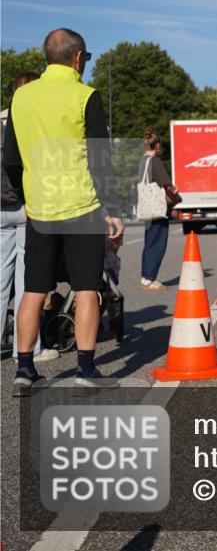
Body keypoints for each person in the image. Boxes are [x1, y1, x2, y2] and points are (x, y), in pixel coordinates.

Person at [3, 28, 125, 396]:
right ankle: (85, 369)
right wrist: (113, 208)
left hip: (39, 206)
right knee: (87, 289)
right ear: (77, 57)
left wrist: (28, 196)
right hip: (81, 206)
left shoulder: (22, 97)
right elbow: (100, 158)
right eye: (85, 60)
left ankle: (24, 370)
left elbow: (11, 157)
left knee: (34, 289)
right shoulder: (86, 95)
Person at [1, 72, 60, 364]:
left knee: (0, 281)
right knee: (30, 281)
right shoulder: (35, 120)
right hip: (28, 206)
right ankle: (29, 348)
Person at [137, 128, 180, 290]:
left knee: (149, 241)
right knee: (158, 242)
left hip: (147, 207)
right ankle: (149, 278)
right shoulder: (155, 161)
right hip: (157, 209)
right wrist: (174, 192)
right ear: (157, 145)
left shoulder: (142, 161)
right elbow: (165, 183)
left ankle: (146, 277)